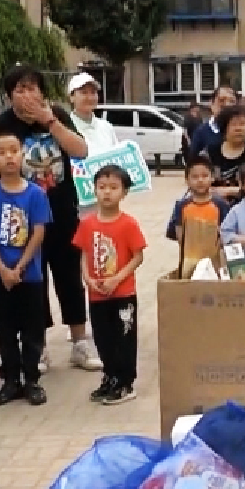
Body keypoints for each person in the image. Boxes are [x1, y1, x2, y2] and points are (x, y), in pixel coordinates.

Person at [0, 64, 93, 374]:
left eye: (32, 88)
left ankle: (80, 342)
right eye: (19, 89)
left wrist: (50, 121)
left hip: (62, 210)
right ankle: (36, 346)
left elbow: (81, 150)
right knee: (33, 281)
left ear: (42, 92)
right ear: (9, 96)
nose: (27, 94)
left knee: (69, 275)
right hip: (20, 219)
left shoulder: (56, 116)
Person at [0, 131, 53, 407]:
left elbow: (38, 232)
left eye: (14, 150)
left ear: (23, 154)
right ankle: (11, 381)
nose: (9, 156)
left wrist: (18, 268)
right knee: (3, 329)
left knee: (33, 330)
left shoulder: (36, 194)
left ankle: (31, 380)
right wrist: (1, 268)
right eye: (1, 152)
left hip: (29, 275)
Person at [72, 165, 146, 406]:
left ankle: (125, 382)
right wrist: (87, 278)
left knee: (123, 338)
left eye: (114, 188)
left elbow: (138, 256)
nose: (107, 193)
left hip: (123, 293)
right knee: (103, 338)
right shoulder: (87, 223)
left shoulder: (128, 224)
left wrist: (117, 278)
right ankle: (110, 377)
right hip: (97, 294)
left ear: (124, 192)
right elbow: (83, 253)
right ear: (93, 190)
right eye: (102, 187)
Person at [205, 105, 245, 205]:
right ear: (224, 128)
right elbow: (197, 182)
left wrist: (227, 191)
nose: (238, 129)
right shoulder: (211, 151)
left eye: (242, 124)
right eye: (234, 124)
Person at [166, 157, 231, 241]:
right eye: (195, 177)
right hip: (189, 252)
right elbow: (179, 234)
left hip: (215, 252)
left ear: (212, 178)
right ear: (187, 180)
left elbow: (226, 232)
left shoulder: (221, 205)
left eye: (205, 176)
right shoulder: (181, 205)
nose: (200, 180)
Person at [188, 86, 245, 158]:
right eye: (221, 100)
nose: (227, 105)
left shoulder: (243, 131)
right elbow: (193, 163)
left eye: (232, 101)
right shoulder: (201, 132)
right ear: (211, 103)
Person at [66, 72, 120, 157]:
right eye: (84, 92)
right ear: (71, 97)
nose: (90, 97)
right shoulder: (65, 128)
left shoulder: (107, 127)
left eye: (93, 92)